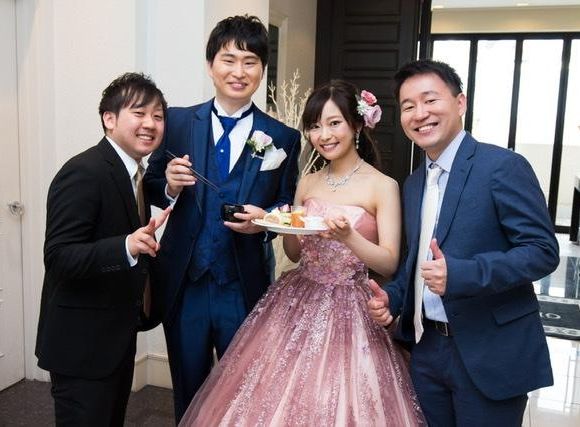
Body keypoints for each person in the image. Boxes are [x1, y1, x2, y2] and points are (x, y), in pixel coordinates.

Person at [178, 80, 426, 426]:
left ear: (356, 125)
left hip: (351, 302)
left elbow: (389, 261)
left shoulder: (382, 185)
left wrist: (349, 237)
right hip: (297, 295)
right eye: (314, 126)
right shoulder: (308, 182)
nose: (324, 135)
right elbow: (295, 252)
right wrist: (275, 222)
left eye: (334, 123)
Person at [367, 59, 559, 426]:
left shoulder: (502, 166)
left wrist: (462, 274)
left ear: (460, 103)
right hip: (427, 349)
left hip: (490, 350)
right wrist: (392, 297)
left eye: (430, 100)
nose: (419, 114)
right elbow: (416, 263)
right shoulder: (414, 184)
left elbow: (542, 251)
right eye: (408, 106)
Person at [143, 15, 301, 421]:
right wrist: (169, 186)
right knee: (188, 390)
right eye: (228, 60)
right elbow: (149, 184)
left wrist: (264, 220)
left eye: (250, 62)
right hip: (186, 283)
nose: (239, 72)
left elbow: (286, 202)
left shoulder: (282, 137)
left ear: (262, 69)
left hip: (242, 283)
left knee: (242, 395)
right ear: (210, 65)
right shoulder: (177, 122)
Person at [35, 72, 172, 426]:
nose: (150, 124)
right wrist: (126, 246)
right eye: (139, 113)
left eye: (158, 116)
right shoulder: (84, 171)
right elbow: (59, 257)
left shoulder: (133, 174)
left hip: (113, 340)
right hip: (82, 346)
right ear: (109, 119)